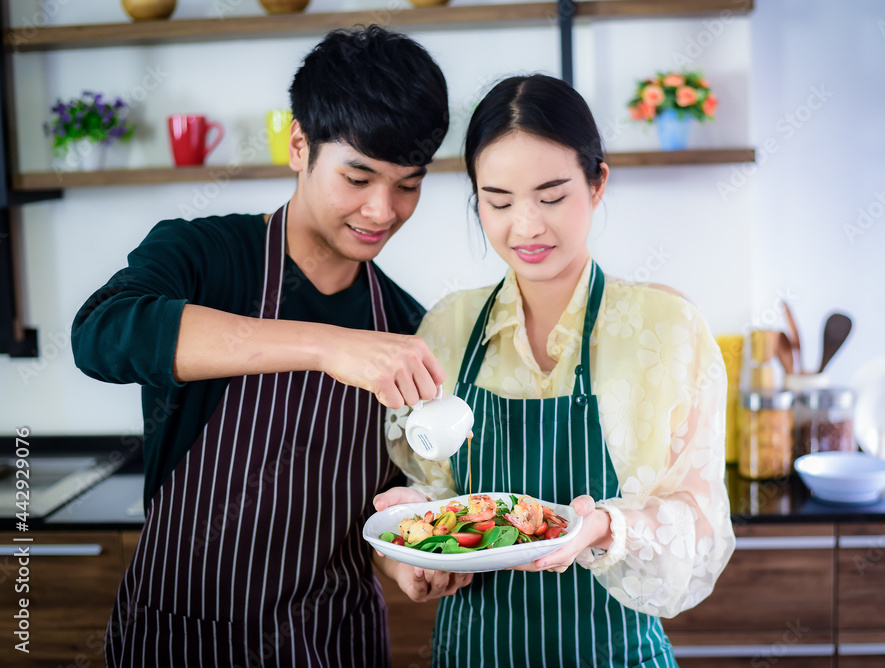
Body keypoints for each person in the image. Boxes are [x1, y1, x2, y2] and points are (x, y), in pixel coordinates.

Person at [72, 25, 469, 667]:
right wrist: (327, 346)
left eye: (408, 184)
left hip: (333, 642)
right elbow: (101, 335)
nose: (382, 210)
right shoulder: (203, 256)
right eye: (358, 177)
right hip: (183, 637)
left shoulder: (403, 323)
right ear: (299, 145)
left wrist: (405, 562)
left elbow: (379, 513)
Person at [376, 74, 736, 667]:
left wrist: (604, 530)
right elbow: (435, 491)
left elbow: (701, 529)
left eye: (551, 196)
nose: (526, 227)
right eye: (497, 202)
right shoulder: (447, 328)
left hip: (616, 653)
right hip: (474, 651)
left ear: (597, 184)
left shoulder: (665, 330)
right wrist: (407, 539)